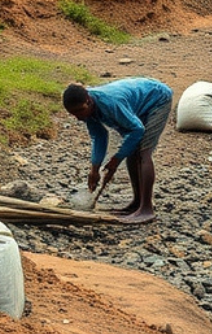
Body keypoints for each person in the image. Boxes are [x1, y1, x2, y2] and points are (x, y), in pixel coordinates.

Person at [62, 77, 173, 224]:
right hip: (140, 102)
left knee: (142, 153)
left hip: (157, 98)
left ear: (89, 101)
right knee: (132, 151)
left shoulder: (109, 103)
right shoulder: (88, 111)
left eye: (79, 111)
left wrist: (116, 159)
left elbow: (137, 129)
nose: (78, 117)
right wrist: (94, 169)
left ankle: (146, 209)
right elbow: (99, 136)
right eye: (73, 114)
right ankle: (136, 203)